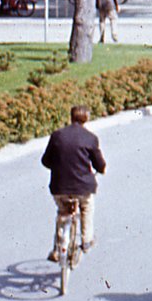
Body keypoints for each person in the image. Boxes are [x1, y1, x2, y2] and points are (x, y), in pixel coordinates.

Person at [42, 104, 105, 262]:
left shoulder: (57, 135)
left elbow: (46, 161)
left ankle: (57, 249)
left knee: (62, 213)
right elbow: (100, 164)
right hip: (83, 188)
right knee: (86, 207)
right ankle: (86, 240)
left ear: (70, 117)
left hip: (59, 187)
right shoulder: (90, 138)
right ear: (87, 118)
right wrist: (101, 169)